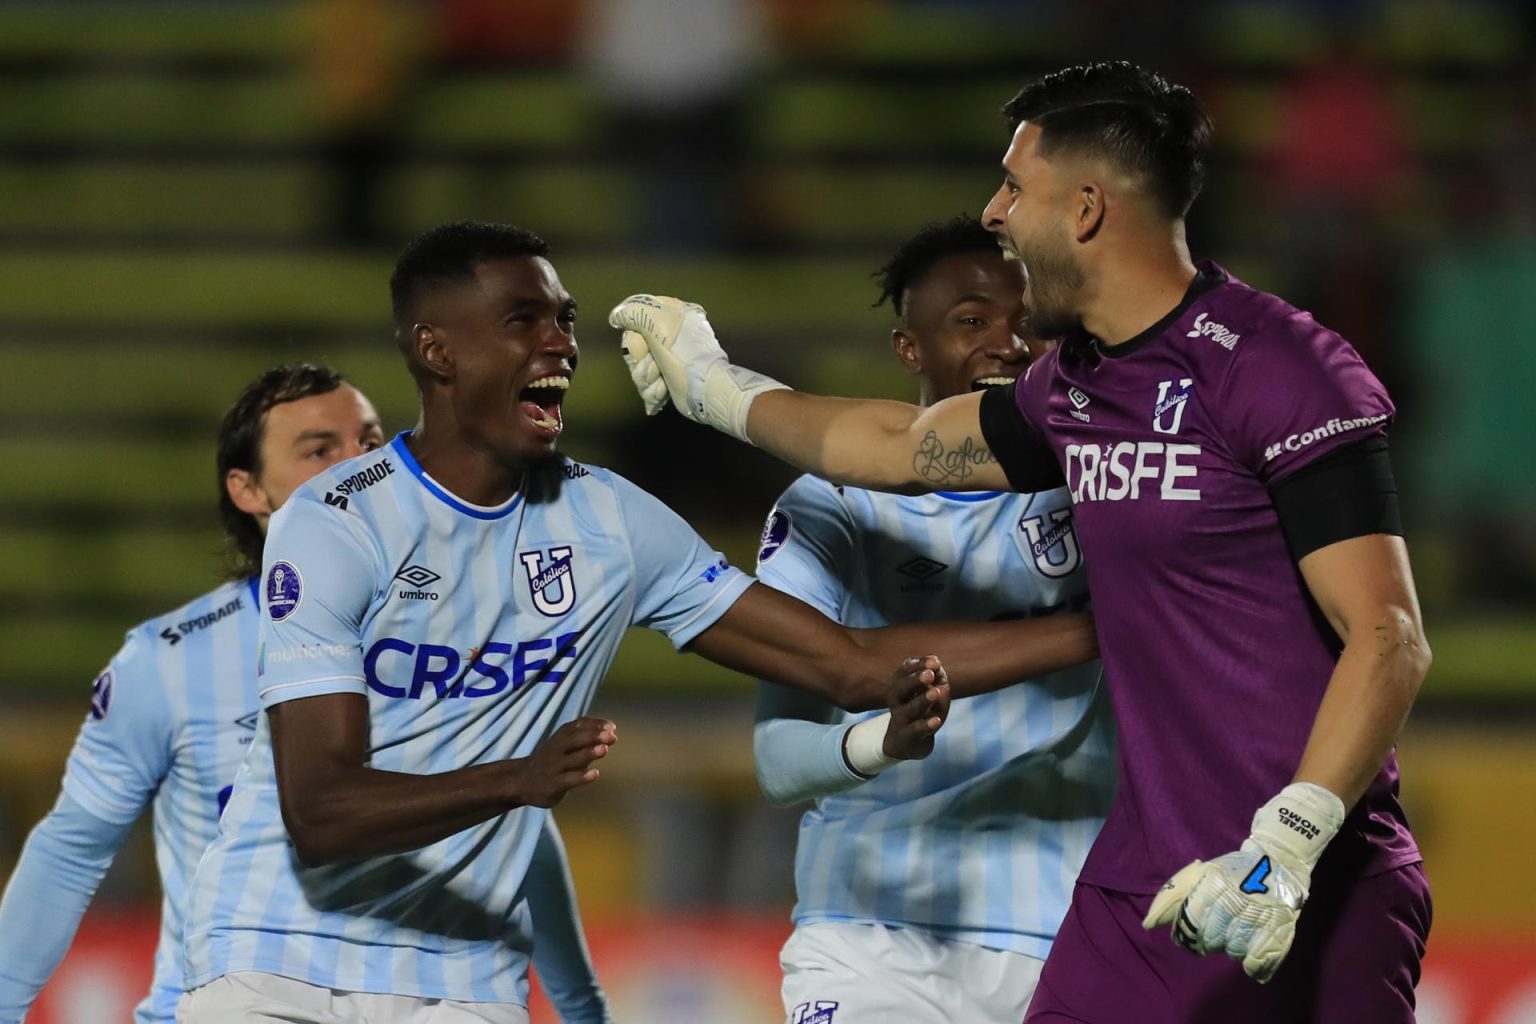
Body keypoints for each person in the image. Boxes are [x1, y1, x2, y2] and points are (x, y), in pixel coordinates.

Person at [610, 60, 1432, 1022]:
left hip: (1310, 877)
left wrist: (1288, 843)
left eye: (1013, 187)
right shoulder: (1073, 388)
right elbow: (903, 448)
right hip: (1138, 887)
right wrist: (716, 385)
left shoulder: (1281, 369)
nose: (994, 214)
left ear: (1084, 209)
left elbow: (1389, 635)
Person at [175, 221, 1099, 1024]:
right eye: (523, 322)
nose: (560, 346)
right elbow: (321, 813)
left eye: (565, 320)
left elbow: (852, 666)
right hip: (274, 957)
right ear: (436, 350)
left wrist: (1096, 629)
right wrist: (518, 779)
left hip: (464, 973)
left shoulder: (611, 520)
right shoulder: (337, 519)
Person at [0, 364, 613, 1024]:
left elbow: (513, 831)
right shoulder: (169, 662)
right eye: (321, 450)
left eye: (372, 442)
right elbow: (72, 850)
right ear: (248, 490)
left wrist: (583, 1010)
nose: (360, 466)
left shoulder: (461, 638)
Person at [752, 216, 1114, 1024]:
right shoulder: (831, 505)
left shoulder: (1104, 490)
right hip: (870, 935)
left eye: (1028, 320)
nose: (1008, 342)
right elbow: (776, 761)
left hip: (1066, 931)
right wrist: (883, 739)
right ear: (908, 348)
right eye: (972, 321)